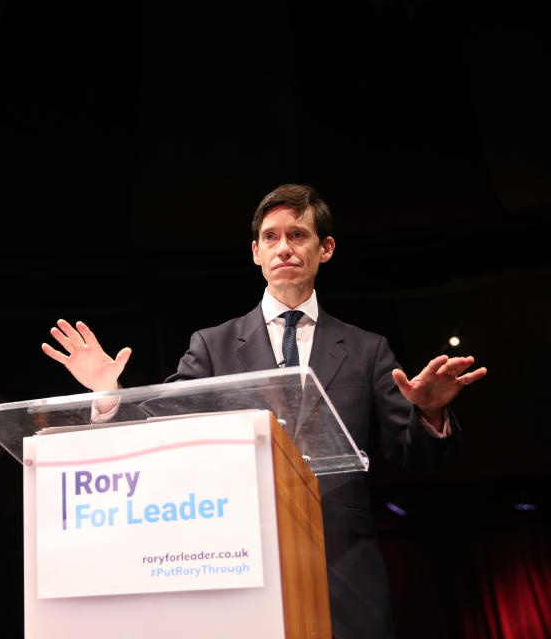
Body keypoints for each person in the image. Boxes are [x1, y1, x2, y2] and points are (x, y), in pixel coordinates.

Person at [41, 184, 486, 638]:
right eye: (270, 238)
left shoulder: (366, 349)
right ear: (256, 252)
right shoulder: (212, 346)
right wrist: (108, 392)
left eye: (298, 235)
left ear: (325, 248)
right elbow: (161, 432)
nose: (284, 248)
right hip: (234, 560)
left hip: (342, 563)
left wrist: (430, 416)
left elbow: (419, 457)